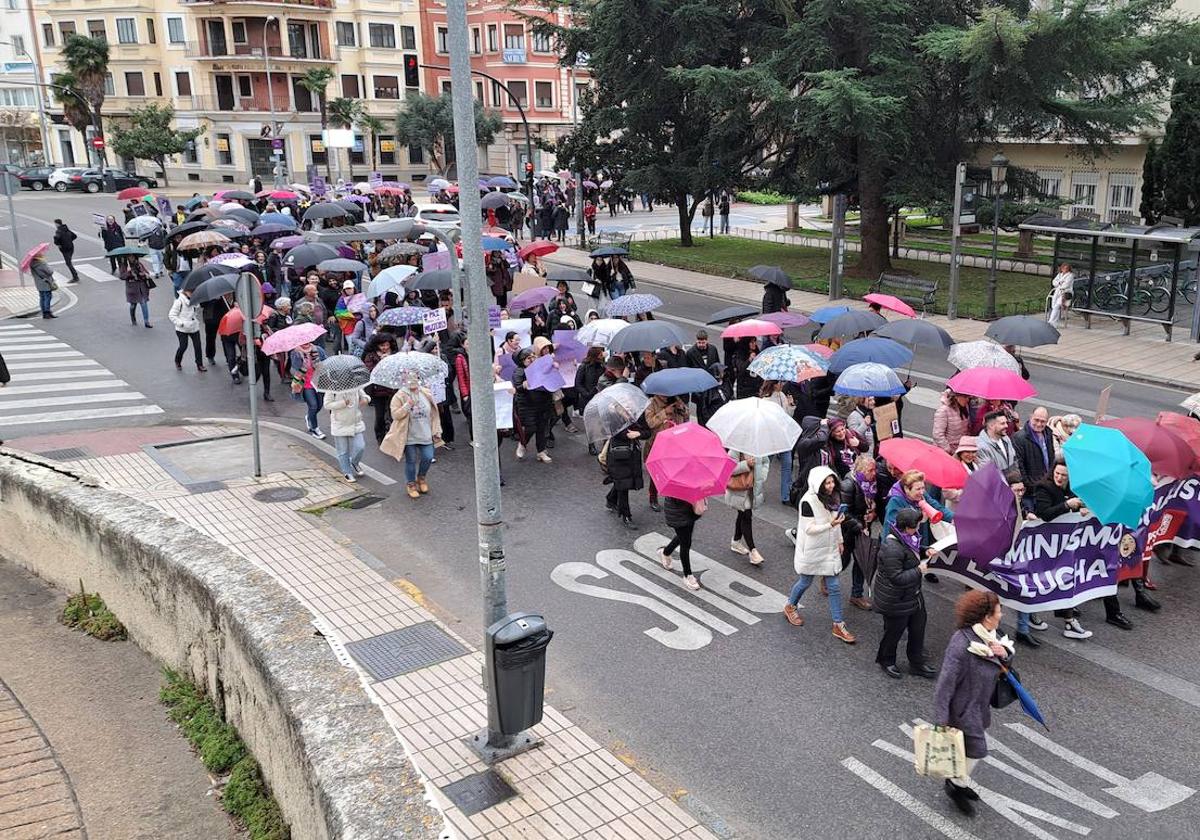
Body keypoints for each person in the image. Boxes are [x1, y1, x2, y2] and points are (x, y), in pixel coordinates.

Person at [934, 590, 1013, 816]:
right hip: (963, 710)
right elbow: (945, 684)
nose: (1002, 614)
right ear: (987, 616)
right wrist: (941, 720)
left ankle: (958, 781)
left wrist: (1004, 653)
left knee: (967, 750)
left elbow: (1006, 662)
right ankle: (955, 786)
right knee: (977, 751)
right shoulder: (961, 645)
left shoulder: (993, 636)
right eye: (999, 611)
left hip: (980, 705)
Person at [784, 466, 857, 643]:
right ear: (818, 484)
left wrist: (839, 540)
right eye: (827, 483)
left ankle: (838, 624)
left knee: (834, 586)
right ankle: (790, 606)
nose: (831, 486)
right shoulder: (807, 501)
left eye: (832, 482)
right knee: (805, 581)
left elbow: (837, 521)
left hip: (829, 547)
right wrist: (830, 525)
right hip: (812, 548)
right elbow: (809, 529)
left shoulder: (833, 498)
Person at [874, 507, 938, 679]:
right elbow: (897, 578)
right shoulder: (892, 548)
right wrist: (919, 570)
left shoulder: (908, 538)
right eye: (916, 526)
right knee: (894, 632)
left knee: (918, 629)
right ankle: (886, 660)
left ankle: (917, 663)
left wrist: (925, 550)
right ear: (906, 527)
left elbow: (913, 552)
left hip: (912, 595)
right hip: (896, 599)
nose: (918, 529)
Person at [380, 370, 442, 499]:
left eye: (415, 379)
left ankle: (421, 478)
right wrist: (407, 405)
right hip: (408, 435)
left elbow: (434, 414)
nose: (413, 383)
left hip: (425, 433)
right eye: (410, 380)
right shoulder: (399, 396)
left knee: (428, 457)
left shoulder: (425, 392)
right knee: (411, 460)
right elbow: (395, 415)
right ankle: (411, 484)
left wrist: (436, 430)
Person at [840, 453, 879, 611]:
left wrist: (873, 514)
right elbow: (844, 514)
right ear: (861, 471)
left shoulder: (870, 484)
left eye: (874, 469)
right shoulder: (848, 485)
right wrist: (860, 526)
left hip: (863, 528)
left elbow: (872, 504)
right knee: (843, 560)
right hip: (849, 531)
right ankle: (827, 577)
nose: (874, 473)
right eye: (870, 470)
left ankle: (856, 594)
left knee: (862, 562)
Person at [644, 394, 689, 511]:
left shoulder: (676, 400)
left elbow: (686, 418)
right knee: (657, 473)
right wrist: (665, 412)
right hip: (657, 443)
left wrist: (682, 409)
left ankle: (673, 499)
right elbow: (650, 423)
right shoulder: (651, 403)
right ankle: (653, 497)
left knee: (674, 471)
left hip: (675, 443)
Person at [726, 448, 769, 566]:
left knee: (742, 514)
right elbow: (729, 468)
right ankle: (753, 551)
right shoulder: (736, 450)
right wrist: (746, 464)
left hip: (751, 489)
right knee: (746, 515)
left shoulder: (759, 448)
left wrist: (761, 477)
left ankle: (736, 542)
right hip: (739, 490)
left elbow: (766, 462)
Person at [511, 346, 554, 462]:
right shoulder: (519, 371)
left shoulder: (541, 367)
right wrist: (523, 386)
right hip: (527, 404)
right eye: (528, 358)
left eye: (533, 357)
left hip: (543, 401)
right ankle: (522, 444)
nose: (531, 360)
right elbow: (517, 387)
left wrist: (554, 368)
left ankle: (541, 451)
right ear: (522, 360)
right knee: (531, 427)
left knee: (542, 428)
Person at [659, 496, 706, 591]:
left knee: (684, 537)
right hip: (678, 514)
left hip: (690, 510)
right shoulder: (677, 483)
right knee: (686, 543)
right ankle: (687, 575)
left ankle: (666, 552)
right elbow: (676, 498)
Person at [325, 387, 369, 482]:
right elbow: (327, 404)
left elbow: (365, 396)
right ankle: (347, 472)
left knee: (360, 446)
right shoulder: (332, 388)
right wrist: (343, 403)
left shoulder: (355, 385)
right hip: (339, 423)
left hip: (355, 422)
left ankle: (354, 462)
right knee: (343, 451)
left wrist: (365, 399)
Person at [602, 426, 643, 530]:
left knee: (623, 482)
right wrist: (628, 434)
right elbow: (613, 431)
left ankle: (611, 499)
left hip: (633, 454)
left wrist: (639, 433)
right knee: (623, 483)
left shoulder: (635, 416)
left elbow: (647, 431)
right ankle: (626, 515)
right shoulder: (612, 417)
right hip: (618, 455)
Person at [289, 342, 328, 439]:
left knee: (319, 405)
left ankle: (309, 417)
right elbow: (295, 368)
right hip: (306, 384)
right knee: (313, 406)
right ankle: (315, 429)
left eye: (307, 342)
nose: (306, 344)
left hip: (318, 382)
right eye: (303, 342)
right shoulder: (296, 353)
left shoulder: (318, 349)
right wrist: (301, 358)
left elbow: (326, 361)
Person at [169, 288, 205, 372]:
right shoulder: (179, 302)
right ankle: (177, 361)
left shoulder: (194, 300)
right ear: (185, 291)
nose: (192, 293)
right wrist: (181, 323)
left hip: (193, 327)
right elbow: (171, 315)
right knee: (183, 346)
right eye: (190, 292)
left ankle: (199, 365)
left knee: (198, 346)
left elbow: (196, 311)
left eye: (193, 292)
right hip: (182, 329)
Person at [120, 256, 153, 328]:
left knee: (144, 303)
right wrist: (128, 272)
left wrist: (143, 274)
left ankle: (146, 321)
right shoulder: (124, 266)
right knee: (133, 305)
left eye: (133, 257)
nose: (131, 258)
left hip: (141, 287)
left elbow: (146, 272)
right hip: (132, 289)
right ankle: (133, 318)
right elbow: (122, 276)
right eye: (130, 257)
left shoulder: (139, 264)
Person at [29, 252, 56, 319]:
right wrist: (47, 265)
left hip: (38, 283)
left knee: (42, 297)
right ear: (38, 256)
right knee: (48, 297)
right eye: (40, 254)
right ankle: (47, 312)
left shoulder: (31, 264)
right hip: (46, 282)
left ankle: (44, 312)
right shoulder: (42, 263)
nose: (42, 254)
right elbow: (50, 272)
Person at [1048, 262, 1074, 327]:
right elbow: (1054, 282)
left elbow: (1066, 285)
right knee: (1054, 306)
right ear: (1061, 268)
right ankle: (1055, 322)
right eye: (1063, 268)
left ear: (1069, 269)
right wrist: (1060, 283)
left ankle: (1051, 321)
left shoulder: (1070, 275)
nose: (1065, 269)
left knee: (1057, 305)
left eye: (1066, 268)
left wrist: (1059, 284)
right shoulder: (1059, 274)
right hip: (1057, 292)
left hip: (1065, 293)